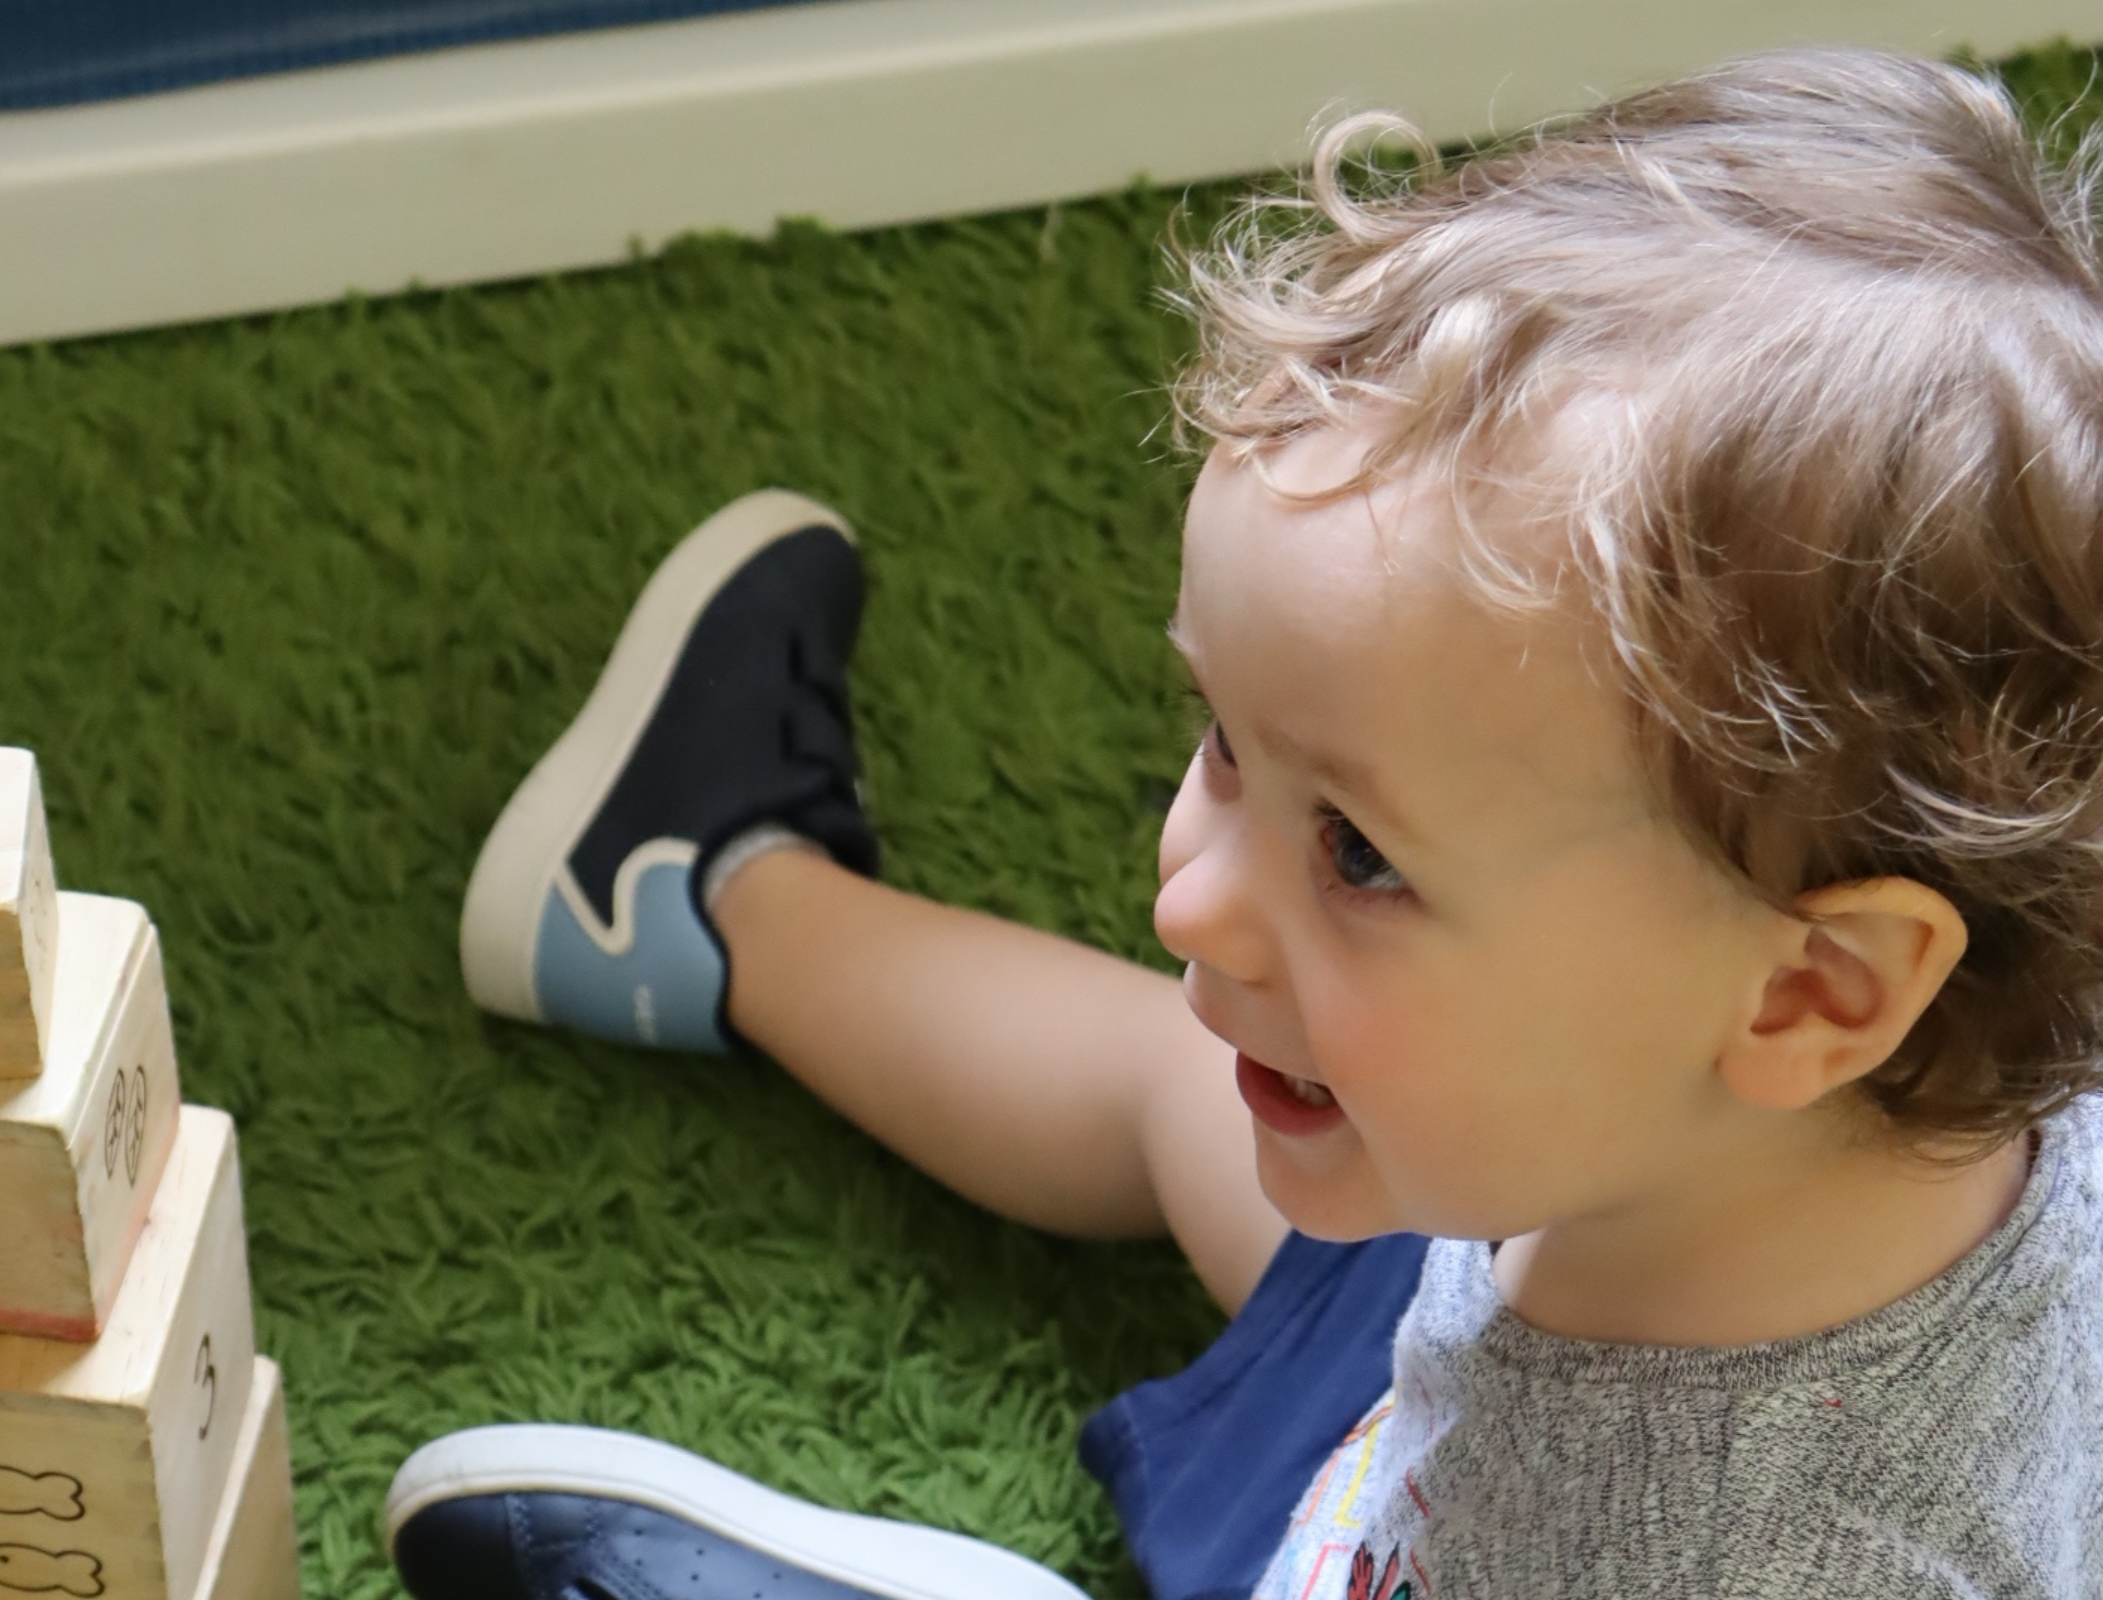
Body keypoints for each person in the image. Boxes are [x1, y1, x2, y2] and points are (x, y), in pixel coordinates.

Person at [382, 46, 2103, 1600]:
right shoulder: (1730, 1085)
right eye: (1224, 744)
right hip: (1563, 1260)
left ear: (1814, 992)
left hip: (1419, 1530)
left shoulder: (1731, 1563)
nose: (1192, 894)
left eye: (1356, 848)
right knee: (1184, 1079)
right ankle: (699, 898)